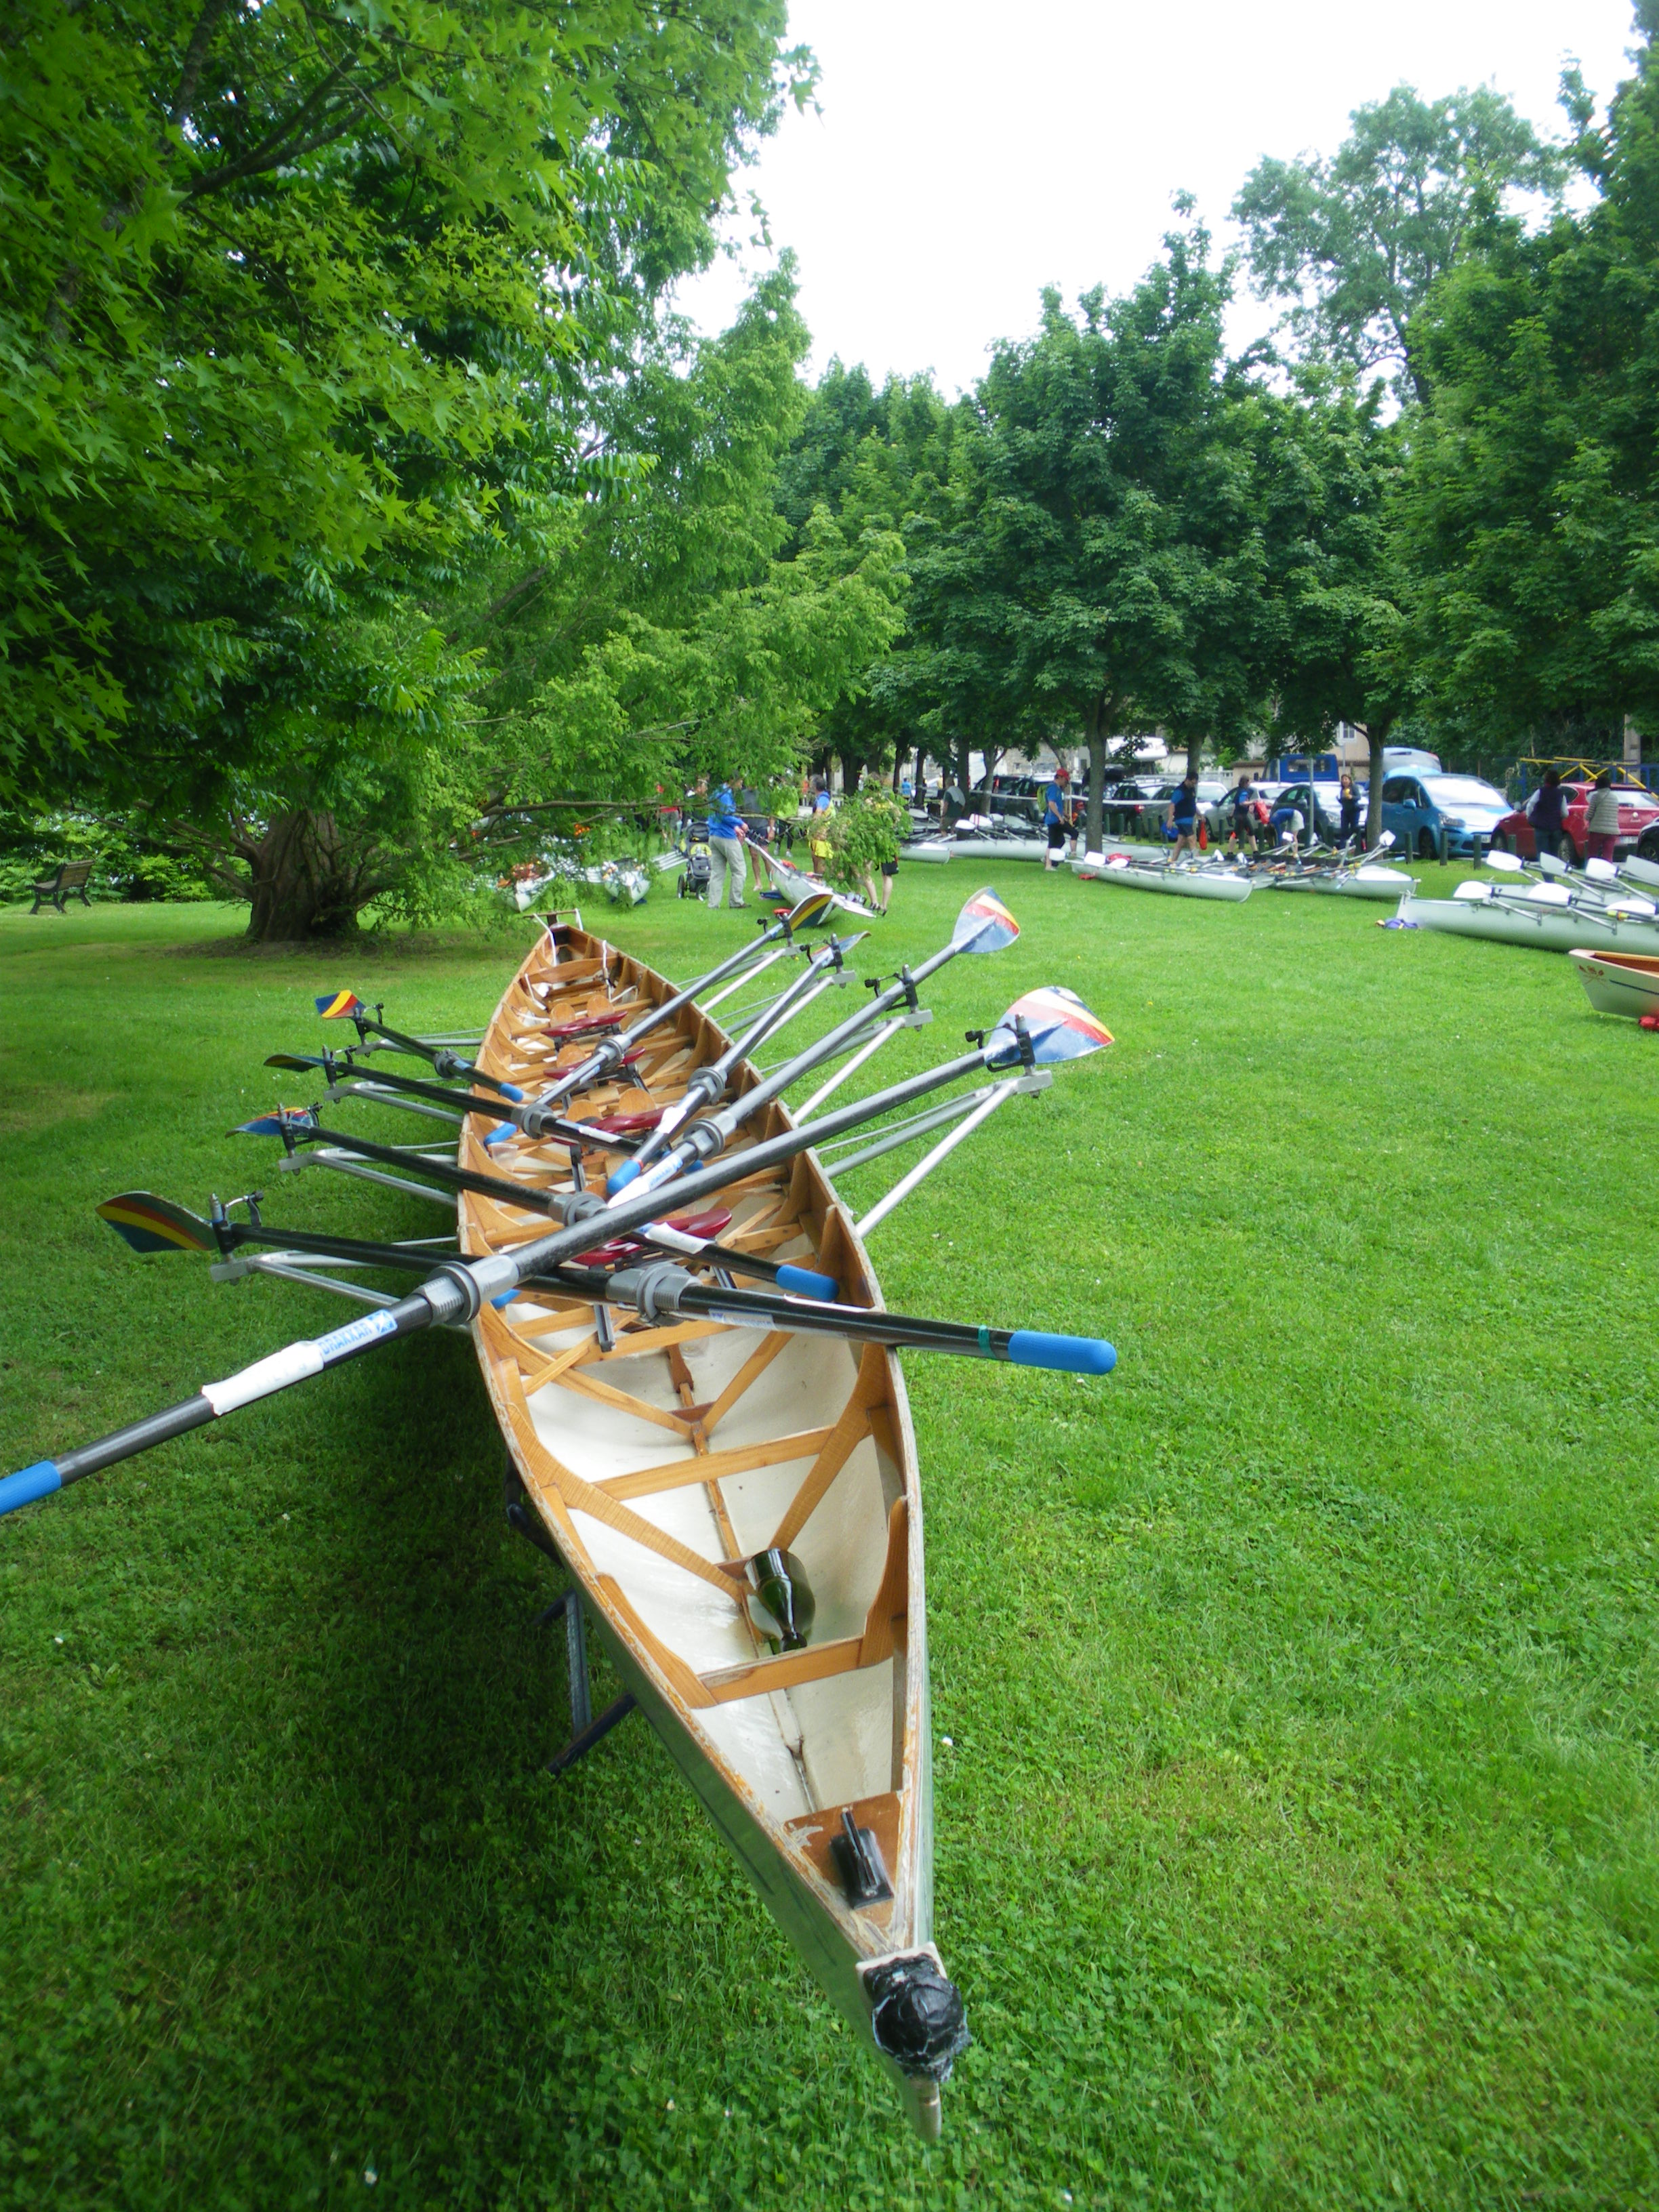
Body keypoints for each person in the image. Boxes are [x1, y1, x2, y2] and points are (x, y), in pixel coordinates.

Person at [705, 783, 747, 909]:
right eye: (740, 781)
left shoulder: (715, 791)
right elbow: (724, 816)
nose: (741, 784)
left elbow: (718, 816)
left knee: (717, 873)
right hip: (726, 837)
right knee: (739, 870)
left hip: (714, 835)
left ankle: (713, 904)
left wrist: (735, 827)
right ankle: (736, 901)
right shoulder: (725, 793)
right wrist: (740, 823)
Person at [1526, 767, 1566, 862]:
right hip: (1556, 828)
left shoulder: (1540, 792)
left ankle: (1548, 877)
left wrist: (1529, 816)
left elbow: (1530, 804)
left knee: (1543, 855)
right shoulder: (1561, 794)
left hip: (1541, 827)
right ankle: (1551, 875)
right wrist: (1559, 818)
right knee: (1554, 856)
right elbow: (1565, 813)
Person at [1584, 769, 1621, 865]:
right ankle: (1607, 877)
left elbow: (1589, 814)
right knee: (1608, 856)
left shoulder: (1596, 796)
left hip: (1597, 830)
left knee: (1592, 855)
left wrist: (1585, 816)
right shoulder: (1615, 797)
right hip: (1612, 832)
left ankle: (1591, 876)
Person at [1043, 764, 1072, 869]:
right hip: (1053, 820)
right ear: (1060, 778)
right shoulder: (1053, 789)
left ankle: (1050, 860)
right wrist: (1060, 817)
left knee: (1060, 841)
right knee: (1053, 842)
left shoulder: (1058, 790)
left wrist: (1064, 814)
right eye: (1065, 781)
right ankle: (1048, 864)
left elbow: (1057, 805)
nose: (1066, 783)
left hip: (1056, 819)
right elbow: (1051, 804)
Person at [1168, 772, 1201, 860]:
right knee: (1192, 839)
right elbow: (1172, 805)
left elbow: (1192, 804)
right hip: (1182, 819)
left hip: (1189, 819)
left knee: (1181, 841)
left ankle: (1173, 861)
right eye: (1193, 783)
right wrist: (1170, 819)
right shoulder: (1180, 791)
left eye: (1195, 783)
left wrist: (1199, 813)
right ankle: (1197, 860)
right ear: (1187, 780)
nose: (1193, 785)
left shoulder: (1192, 790)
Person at [1338, 771, 1361, 847]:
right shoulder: (1342, 790)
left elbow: (1358, 797)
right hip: (1345, 811)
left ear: (1349, 780)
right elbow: (1342, 800)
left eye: (1346, 779)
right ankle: (1343, 846)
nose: (1344, 781)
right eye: (1343, 779)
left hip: (1354, 811)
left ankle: (1356, 845)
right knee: (1344, 829)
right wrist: (1340, 799)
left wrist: (1351, 797)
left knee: (1354, 828)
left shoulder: (1354, 787)